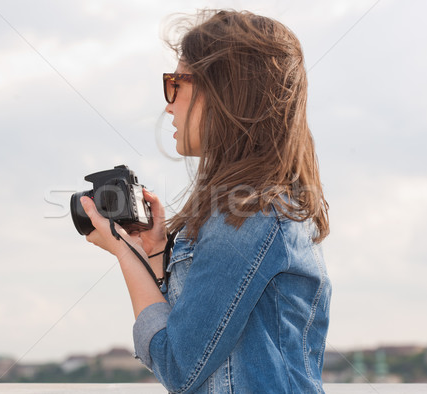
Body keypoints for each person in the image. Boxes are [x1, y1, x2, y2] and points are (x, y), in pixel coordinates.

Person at [80, 9, 331, 393]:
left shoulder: (248, 215)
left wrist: (125, 254)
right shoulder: (251, 209)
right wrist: (155, 253)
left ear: (222, 90)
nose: (168, 104)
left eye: (174, 84)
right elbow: (198, 344)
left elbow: (179, 365)